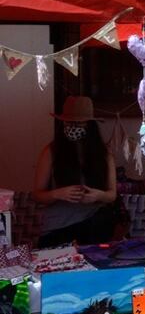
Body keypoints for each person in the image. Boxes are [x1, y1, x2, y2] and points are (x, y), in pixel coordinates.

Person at [33, 96, 117, 247]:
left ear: (89, 125)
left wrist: (98, 195)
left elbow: (112, 195)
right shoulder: (51, 151)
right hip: (58, 225)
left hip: (92, 220)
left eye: (79, 123)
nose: (73, 127)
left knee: (102, 220)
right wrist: (57, 194)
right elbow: (37, 195)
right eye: (68, 122)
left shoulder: (104, 153)